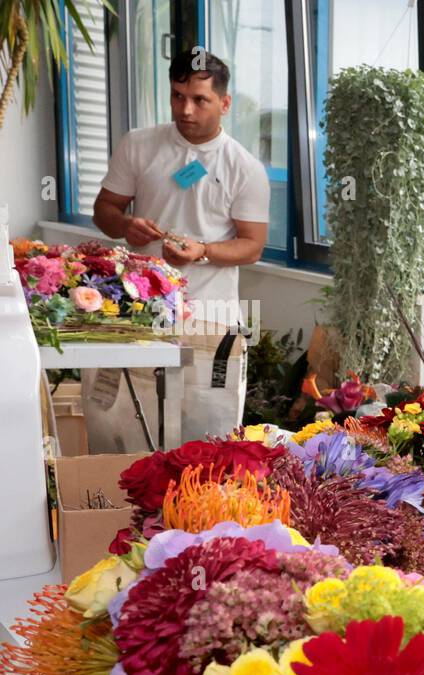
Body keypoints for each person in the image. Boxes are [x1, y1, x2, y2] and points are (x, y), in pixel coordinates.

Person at [88, 51, 269, 450]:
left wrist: (202, 250)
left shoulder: (245, 167)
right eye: (177, 96)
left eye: (200, 99)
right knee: (132, 430)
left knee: (207, 437)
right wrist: (125, 226)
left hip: (210, 319)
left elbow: (252, 245)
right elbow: (105, 210)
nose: (185, 109)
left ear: (225, 103)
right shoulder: (138, 144)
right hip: (139, 311)